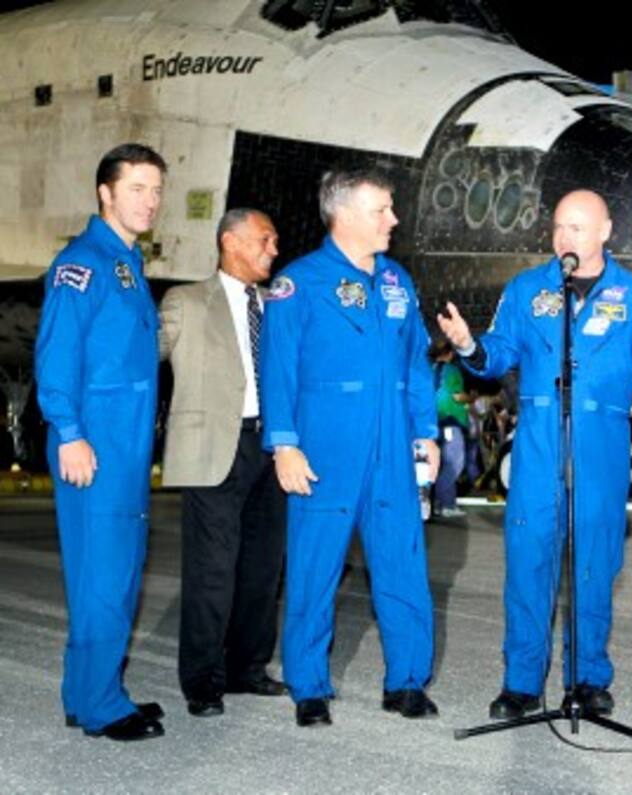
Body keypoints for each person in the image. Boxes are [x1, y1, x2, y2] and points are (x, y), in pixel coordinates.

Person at [437, 189, 632, 720]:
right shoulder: (529, 289)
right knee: (528, 562)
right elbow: (497, 352)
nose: (563, 237)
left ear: (604, 231)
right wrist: (467, 346)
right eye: (557, 227)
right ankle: (521, 683)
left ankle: (588, 677)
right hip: (539, 442)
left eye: (576, 227)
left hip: (601, 443)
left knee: (596, 564)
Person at [260, 165, 441, 727]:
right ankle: (309, 684)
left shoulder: (396, 282)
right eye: (381, 209)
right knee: (315, 568)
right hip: (326, 447)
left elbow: (415, 363)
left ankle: (407, 680)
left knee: (403, 564)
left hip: (392, 447)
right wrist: (284, 445)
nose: (393, 218)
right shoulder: (298, 283)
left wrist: (426, 432)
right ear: (343, 214)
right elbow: (278, 370)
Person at [35, 143, 168, 741]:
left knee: (112, 572)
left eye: (157, 189)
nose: (150, 200)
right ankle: (101, 705)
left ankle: (87, 689)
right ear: (105, 194)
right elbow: (56, 356)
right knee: (105, 575)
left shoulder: (126, 262)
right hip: (95, 443)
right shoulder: (82, 263)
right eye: (136, 188)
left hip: (126, 443)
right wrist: (69, 433)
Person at [159, 209, 287, 718]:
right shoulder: (185, 301)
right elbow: (138, 357)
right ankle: (203, 681)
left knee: (263, 569)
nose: (274, 250)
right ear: (231, 242)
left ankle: (247, 668)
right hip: (214, 446)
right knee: (212, 572)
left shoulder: (278, 307)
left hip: (271, 447)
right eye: (265, 240)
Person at [430, 338, 470, 518]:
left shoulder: (428, 370)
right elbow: (457, 396)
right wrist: (471, 398)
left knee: (436, 463)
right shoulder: (452, 371)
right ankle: (445, 504)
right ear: (450, 353)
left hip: (431, 422)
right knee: (454, 463)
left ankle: (436, 503)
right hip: (450, 422)